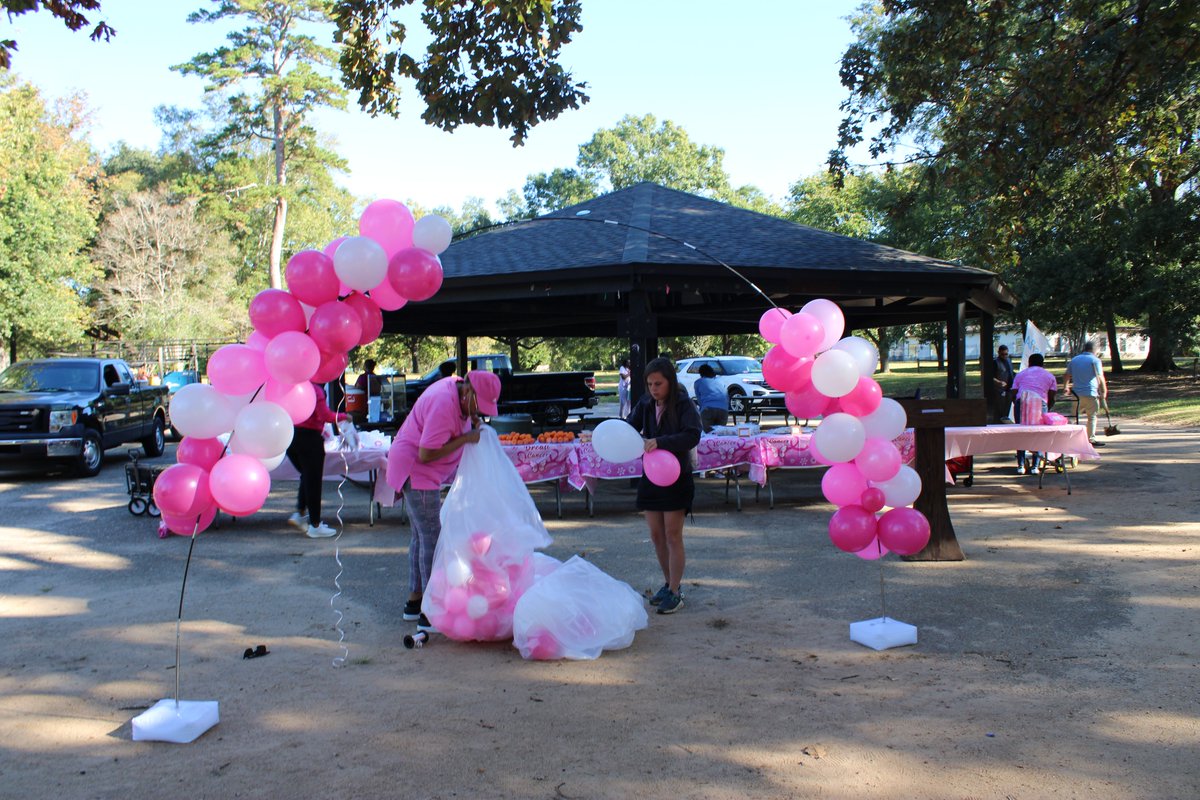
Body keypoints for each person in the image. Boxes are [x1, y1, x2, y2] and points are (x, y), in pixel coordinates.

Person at [385, 369, 501, 633]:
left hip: (419, 470)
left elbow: (457, 422)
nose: (479, 414)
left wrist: (470, 419)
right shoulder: (443, 403)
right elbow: (426, 453)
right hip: (418, 470)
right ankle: (430, 609)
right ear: (469, 392)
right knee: (431, 539)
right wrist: (465, 438)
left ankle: (414, 603)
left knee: (420, 537)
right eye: (478, 407)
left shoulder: (457, 391)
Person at [626, 357, 702, 615]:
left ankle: (676, 591)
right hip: (651, 477)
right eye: (649, 384)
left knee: (672, 535)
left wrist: (661, 441)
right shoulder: (645, 403)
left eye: (658, 383)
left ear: (671, 381)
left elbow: (692, 435)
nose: (653, 389)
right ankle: (668, 584)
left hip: (677, 477)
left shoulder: (683, 403)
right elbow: (628, 427)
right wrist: (602, 433)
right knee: (656, 535)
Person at [286, 383, 350, 538]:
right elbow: (324, 416)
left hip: (289, 436)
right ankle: (315, 525)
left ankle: (300, 513)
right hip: (310, 438)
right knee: (313, 481)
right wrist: (344, 416)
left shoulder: (292, 387)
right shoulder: (315, 390)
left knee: (307, 477)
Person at [1011, 352, 1057, 474]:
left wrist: (1017, 405)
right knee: (1039, 433)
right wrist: (1047, 407)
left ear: (1029, 363)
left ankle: (1020, 465)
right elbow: (1052, 395)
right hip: (1040, 403)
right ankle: (1035, 466)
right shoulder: (1050, 376)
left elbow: (1014, 392)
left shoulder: (1020, 374)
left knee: (1020, 432)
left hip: (1022, 401)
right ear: (1042, 363)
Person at [1064, 341, 1108, 447]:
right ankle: (1090, 439)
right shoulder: (1095, 360)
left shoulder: (1074, 360)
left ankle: (1067, 437)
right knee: (1092, 416)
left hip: (1076, 393)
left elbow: (1066, 375)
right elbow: (1100, 377)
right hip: (1090, 392)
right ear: (1095, 350)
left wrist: (1066, 386)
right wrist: (1104, 391)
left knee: (1074, 416)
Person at [693, 363, 729, 432]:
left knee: (708, 436)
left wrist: (702, 409)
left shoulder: (698, 382)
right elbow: (726, 396)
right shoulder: (720, 381)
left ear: (701, 374)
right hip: (723, 410)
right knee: (720, 435)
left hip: (707, 409)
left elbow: (699, 399)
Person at [991, 344, 1015, 423]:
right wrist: (999, 382)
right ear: (998, 353)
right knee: (999, 409)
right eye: (1002, 354)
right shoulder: (995, 362)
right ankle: (997, 423)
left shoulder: (1009, 361)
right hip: (1000, 390)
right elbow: (990, 377)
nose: (1004, 356)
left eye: (1006, 354)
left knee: (1007, 409)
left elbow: (1011, 372)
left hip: (1010, 389)